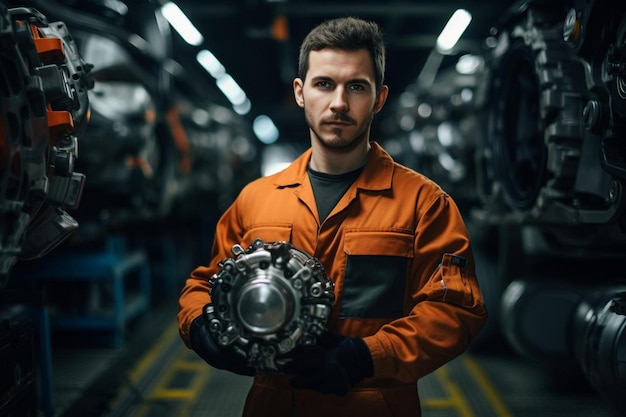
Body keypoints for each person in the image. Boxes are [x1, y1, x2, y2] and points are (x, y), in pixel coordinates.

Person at [178, 16, 487, 417]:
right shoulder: (255, 200)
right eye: (324, 84)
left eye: (356, 86)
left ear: (379, 98)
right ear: (300, 92)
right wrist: (202, 325)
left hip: (371, 404)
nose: (339, 103)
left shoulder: (424, 204)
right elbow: (207, 282)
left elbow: (456, 309)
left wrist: (365, 356)